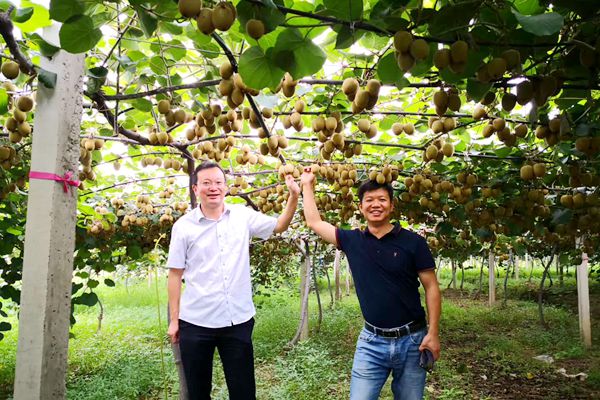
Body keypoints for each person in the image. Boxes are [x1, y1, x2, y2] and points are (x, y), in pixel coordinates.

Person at [300, 167, 441, 400]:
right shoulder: (352, 240)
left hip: (413, 340)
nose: (376, 204)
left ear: (392, 206)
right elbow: (314, 222)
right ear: (361, 207)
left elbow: (432, 287)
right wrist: (307, 185)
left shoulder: (413, 242)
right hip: (372, 342)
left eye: (382, 199)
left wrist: (433, 333)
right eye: (369, 200)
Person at [167, 161, 300, 400]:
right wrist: (174, 321)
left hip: (237, 320)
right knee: (198, 392)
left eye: (218, 182)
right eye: (206, 183)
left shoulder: (242, 216)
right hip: (196, 322)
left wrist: (293, 195)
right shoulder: (183, 227)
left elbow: (279, 226)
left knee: (243, 392)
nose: (213, 187)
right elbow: (175, 274)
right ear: (196, 189)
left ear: (226, 188)